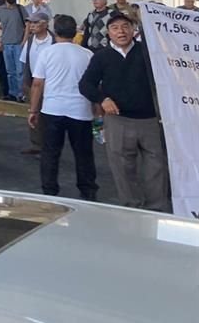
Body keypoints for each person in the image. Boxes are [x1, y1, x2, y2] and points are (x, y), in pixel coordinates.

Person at [79, 11, 171, 212]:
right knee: (122, 168)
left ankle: (156, 209)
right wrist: (103, 99)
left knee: (156, 167)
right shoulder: (101, 57)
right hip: (118, 120)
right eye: (115, 28)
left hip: (149, 120)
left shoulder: (148, 53)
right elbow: (86, 84)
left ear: (133, 30)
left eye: (125, 27)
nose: (121, 31)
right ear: (109, 33)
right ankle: (132, 208)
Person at [28, 14, 98, 201]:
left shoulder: (47, 53)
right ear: (75, 32)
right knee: (83, 153)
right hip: (80, 110)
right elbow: (94, 84)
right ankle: (88, 189)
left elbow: (37, 84)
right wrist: (96, 109)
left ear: (55, 31)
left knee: (50, 152)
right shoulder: (87, 54)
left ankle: (49, 190)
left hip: (52, 109)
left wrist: (33, 110)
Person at [19, 11, 54, 155]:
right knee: (34, 112)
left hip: (51, 83)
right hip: (33, 81)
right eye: (30, 23)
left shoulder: (54, 41)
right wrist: (26, 81)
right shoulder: (30, 40)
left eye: (35, 23)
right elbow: (24, 61)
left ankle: (48, 146)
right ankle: (36, 144)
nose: (32, 26)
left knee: (49, 116)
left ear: (45, 24)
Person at [0, 0, 28, 102]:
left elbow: (27, 25)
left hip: (18, 44)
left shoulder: (20, 9)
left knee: (20, 71)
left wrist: (24, 41)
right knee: (10, 71)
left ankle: (21, 94)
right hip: (6, 44)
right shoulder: (0, 10)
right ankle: (12, 93)